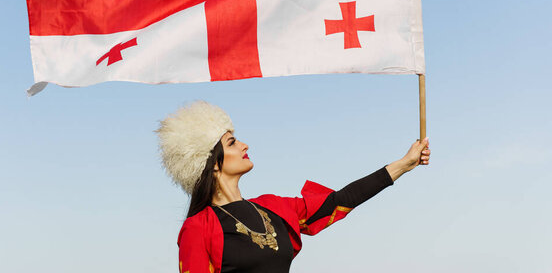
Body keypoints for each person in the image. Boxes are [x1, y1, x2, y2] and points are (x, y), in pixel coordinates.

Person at [157, 101, 430, 273]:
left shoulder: (273, 207)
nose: (244, 145)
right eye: (232, 142)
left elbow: (338, 201)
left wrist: (404, 165)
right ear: (212, 164)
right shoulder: (198, 228)